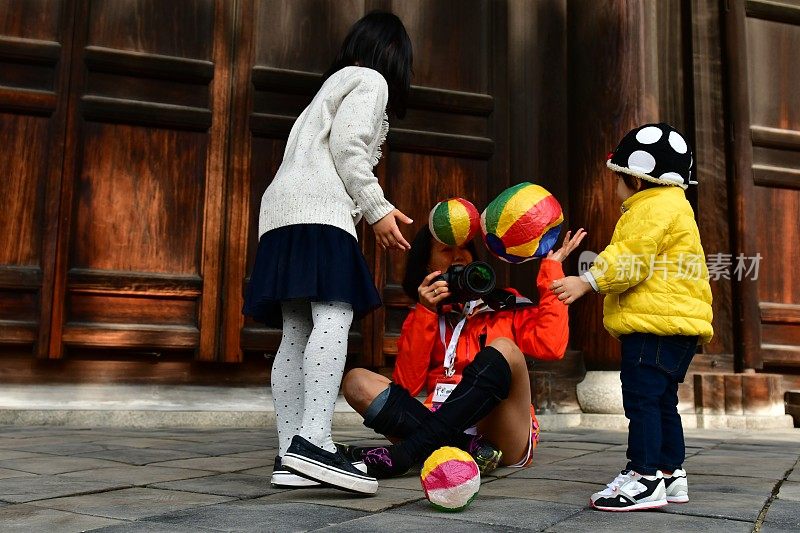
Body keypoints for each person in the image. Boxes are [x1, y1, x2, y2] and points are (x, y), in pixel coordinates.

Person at [242, 11, 414, 495]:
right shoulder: (370, 79)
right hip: (320, 213)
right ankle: (313, 441)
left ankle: (289, 453)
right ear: (395, 56)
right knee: (335, 316)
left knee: (296, 330)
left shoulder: (326, 89)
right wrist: (376, 208)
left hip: (279, 215)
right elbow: (348, 145)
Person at [550, 123, 713, 511]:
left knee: (641, 400)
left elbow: (630, 258)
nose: (616, 188)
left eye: (619, 179)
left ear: (638, 181)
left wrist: (587, 281)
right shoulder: (677, 207)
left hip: (652, 324)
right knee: (661, 401)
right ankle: (671, 474)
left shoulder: (650, 208)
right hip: (678, 324)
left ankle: (643, 476)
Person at [339, 224, 586, 478]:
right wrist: (425, 312)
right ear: (427, 266)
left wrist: (552, 270)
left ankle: (411, 451)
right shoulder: (426, 316)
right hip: (438, 418)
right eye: (446, 249)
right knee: (357, 381)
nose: (458, 256)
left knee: (503, 348)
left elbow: (552, 346)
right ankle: (465, 450)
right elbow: (408, 385)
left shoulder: (504, 304)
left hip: (497, 432)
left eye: (465, 248)